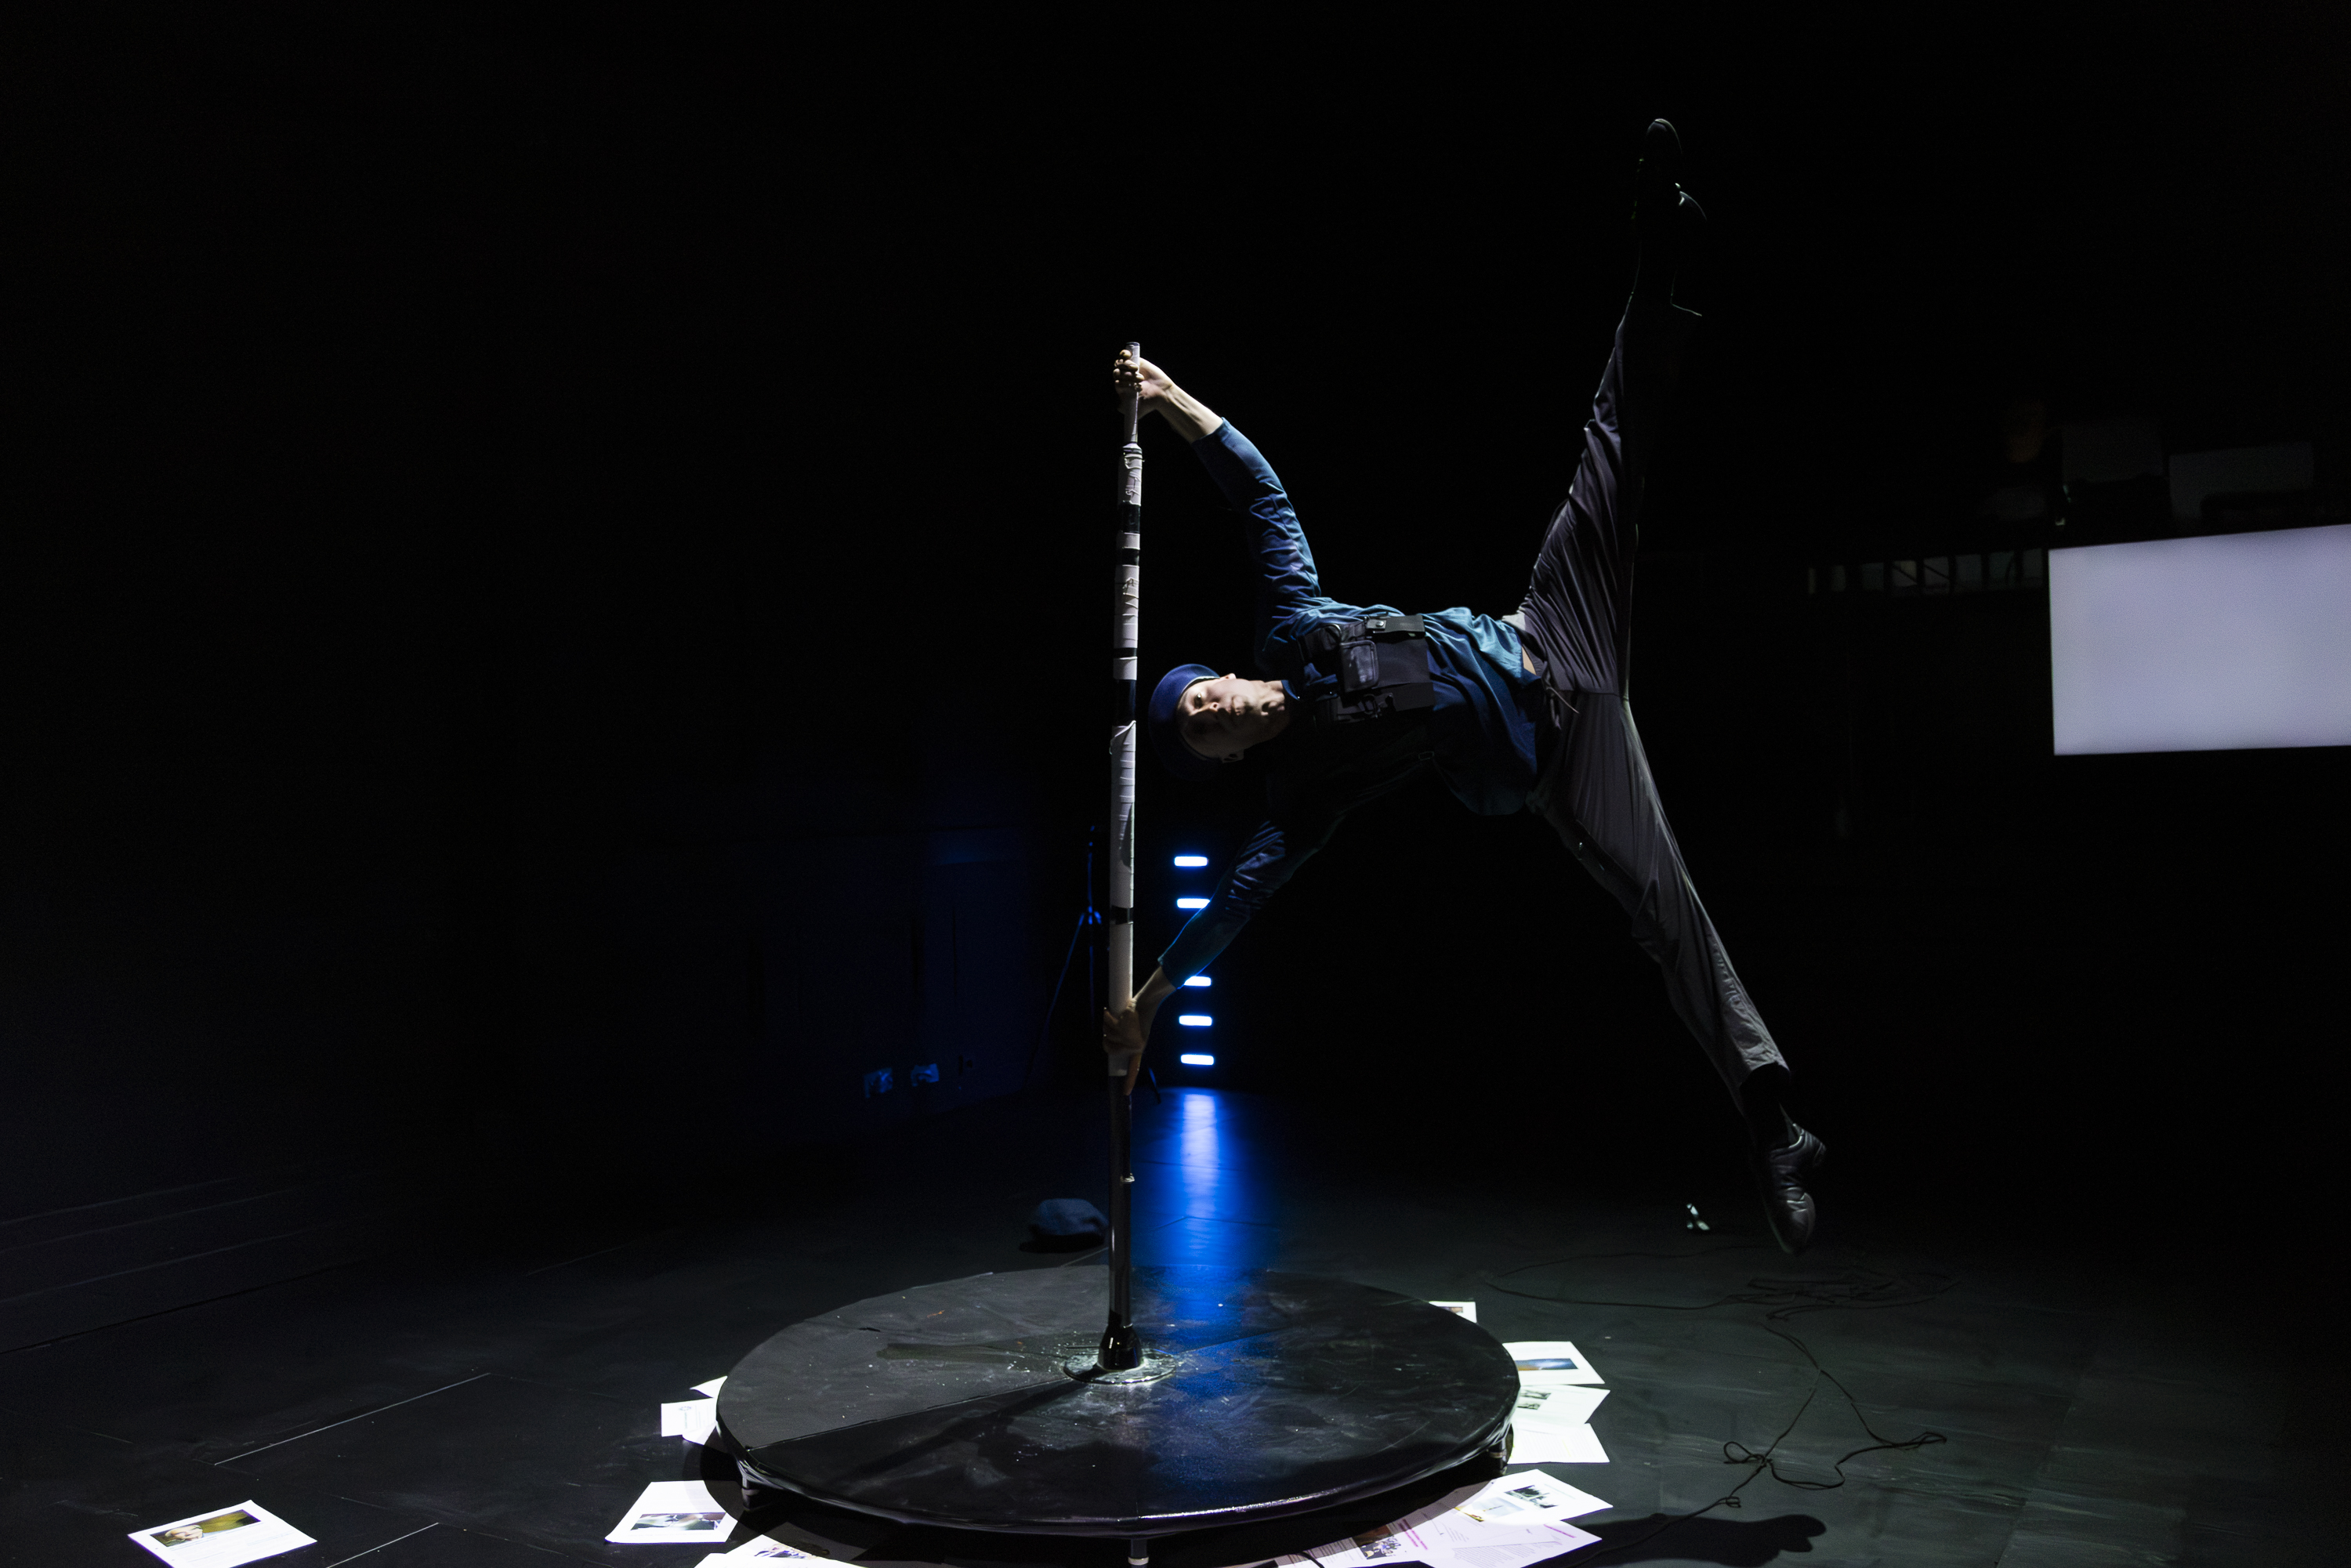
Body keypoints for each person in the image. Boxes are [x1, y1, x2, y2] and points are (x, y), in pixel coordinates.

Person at [1099, 121, 1828, 1253]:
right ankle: (1774, 1123)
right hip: (1557, 761)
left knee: (1609, 449)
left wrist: (1168, 395)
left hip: (1547, 627)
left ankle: (1657, 248)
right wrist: (1147, 1005)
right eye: (1204, 733)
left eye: (1204, 698)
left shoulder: (1293, 621)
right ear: (1228, 758)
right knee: (1662, 907)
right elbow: (1232, 908)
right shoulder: (1302, 799)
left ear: (1229, 674)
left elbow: (1259, 495)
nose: (1214, 714)